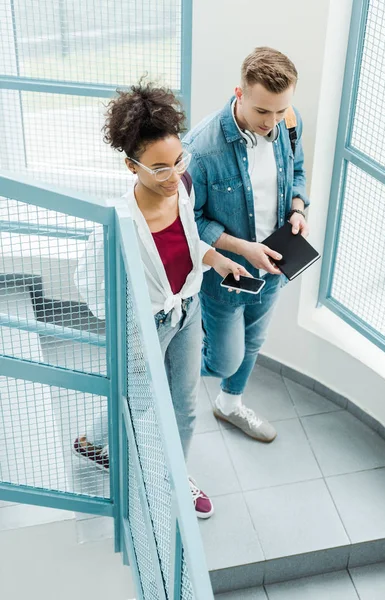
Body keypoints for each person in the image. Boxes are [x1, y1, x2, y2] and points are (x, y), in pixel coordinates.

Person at [72, 82, 250, 519]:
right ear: (131, 166)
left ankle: (175, 475)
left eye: (178, 162)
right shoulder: (117, 223)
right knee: (137, 399)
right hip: (145, 324)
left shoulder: (182, 192)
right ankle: (95, 444)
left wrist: (218, 261)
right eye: (159, 168)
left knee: (184, 403)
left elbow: (188, 243)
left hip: (186, 314)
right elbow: (88, 283)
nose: (173, 176)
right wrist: (130, 316)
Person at [183, 47, 310, 442]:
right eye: (262, 112)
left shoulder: (288, 122)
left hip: (274, 264)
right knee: (223, 360)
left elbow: (298, 170)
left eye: (280, 111)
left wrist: (298, 207)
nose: (272, 123)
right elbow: (192, 220)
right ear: (239, 93)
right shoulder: (201, 150)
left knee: (253, 341)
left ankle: (229, 405)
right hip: (226, 274)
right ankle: (165, 368)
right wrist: (243, 248)